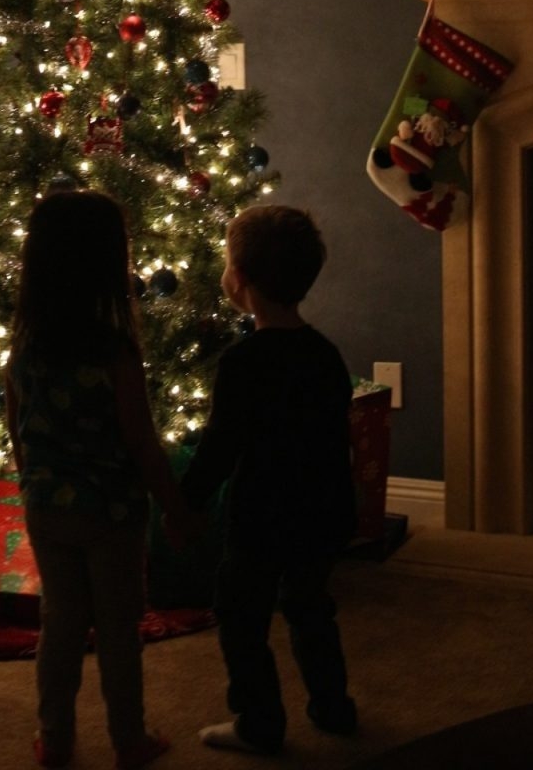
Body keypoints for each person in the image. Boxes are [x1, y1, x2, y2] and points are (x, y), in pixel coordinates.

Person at [5, 189, 192, 770]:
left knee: (59, 623)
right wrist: (175, 506)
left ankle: (54, 738)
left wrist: (35, 484)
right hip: (111, 513)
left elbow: (17, 430)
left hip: (48, 508)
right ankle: (128, 739)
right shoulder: (115, 353)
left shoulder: (24, 349)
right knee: (117, 628)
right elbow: (141, 441)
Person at [180, 204, 357, 756]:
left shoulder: (244, 362)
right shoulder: (326, 356)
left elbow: (220, 447)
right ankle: (334, 707)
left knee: (241, 616)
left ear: (239, 279)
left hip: (262, 515)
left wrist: (184, 502)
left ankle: (259, 721)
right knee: (310, 608)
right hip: (324, 510)